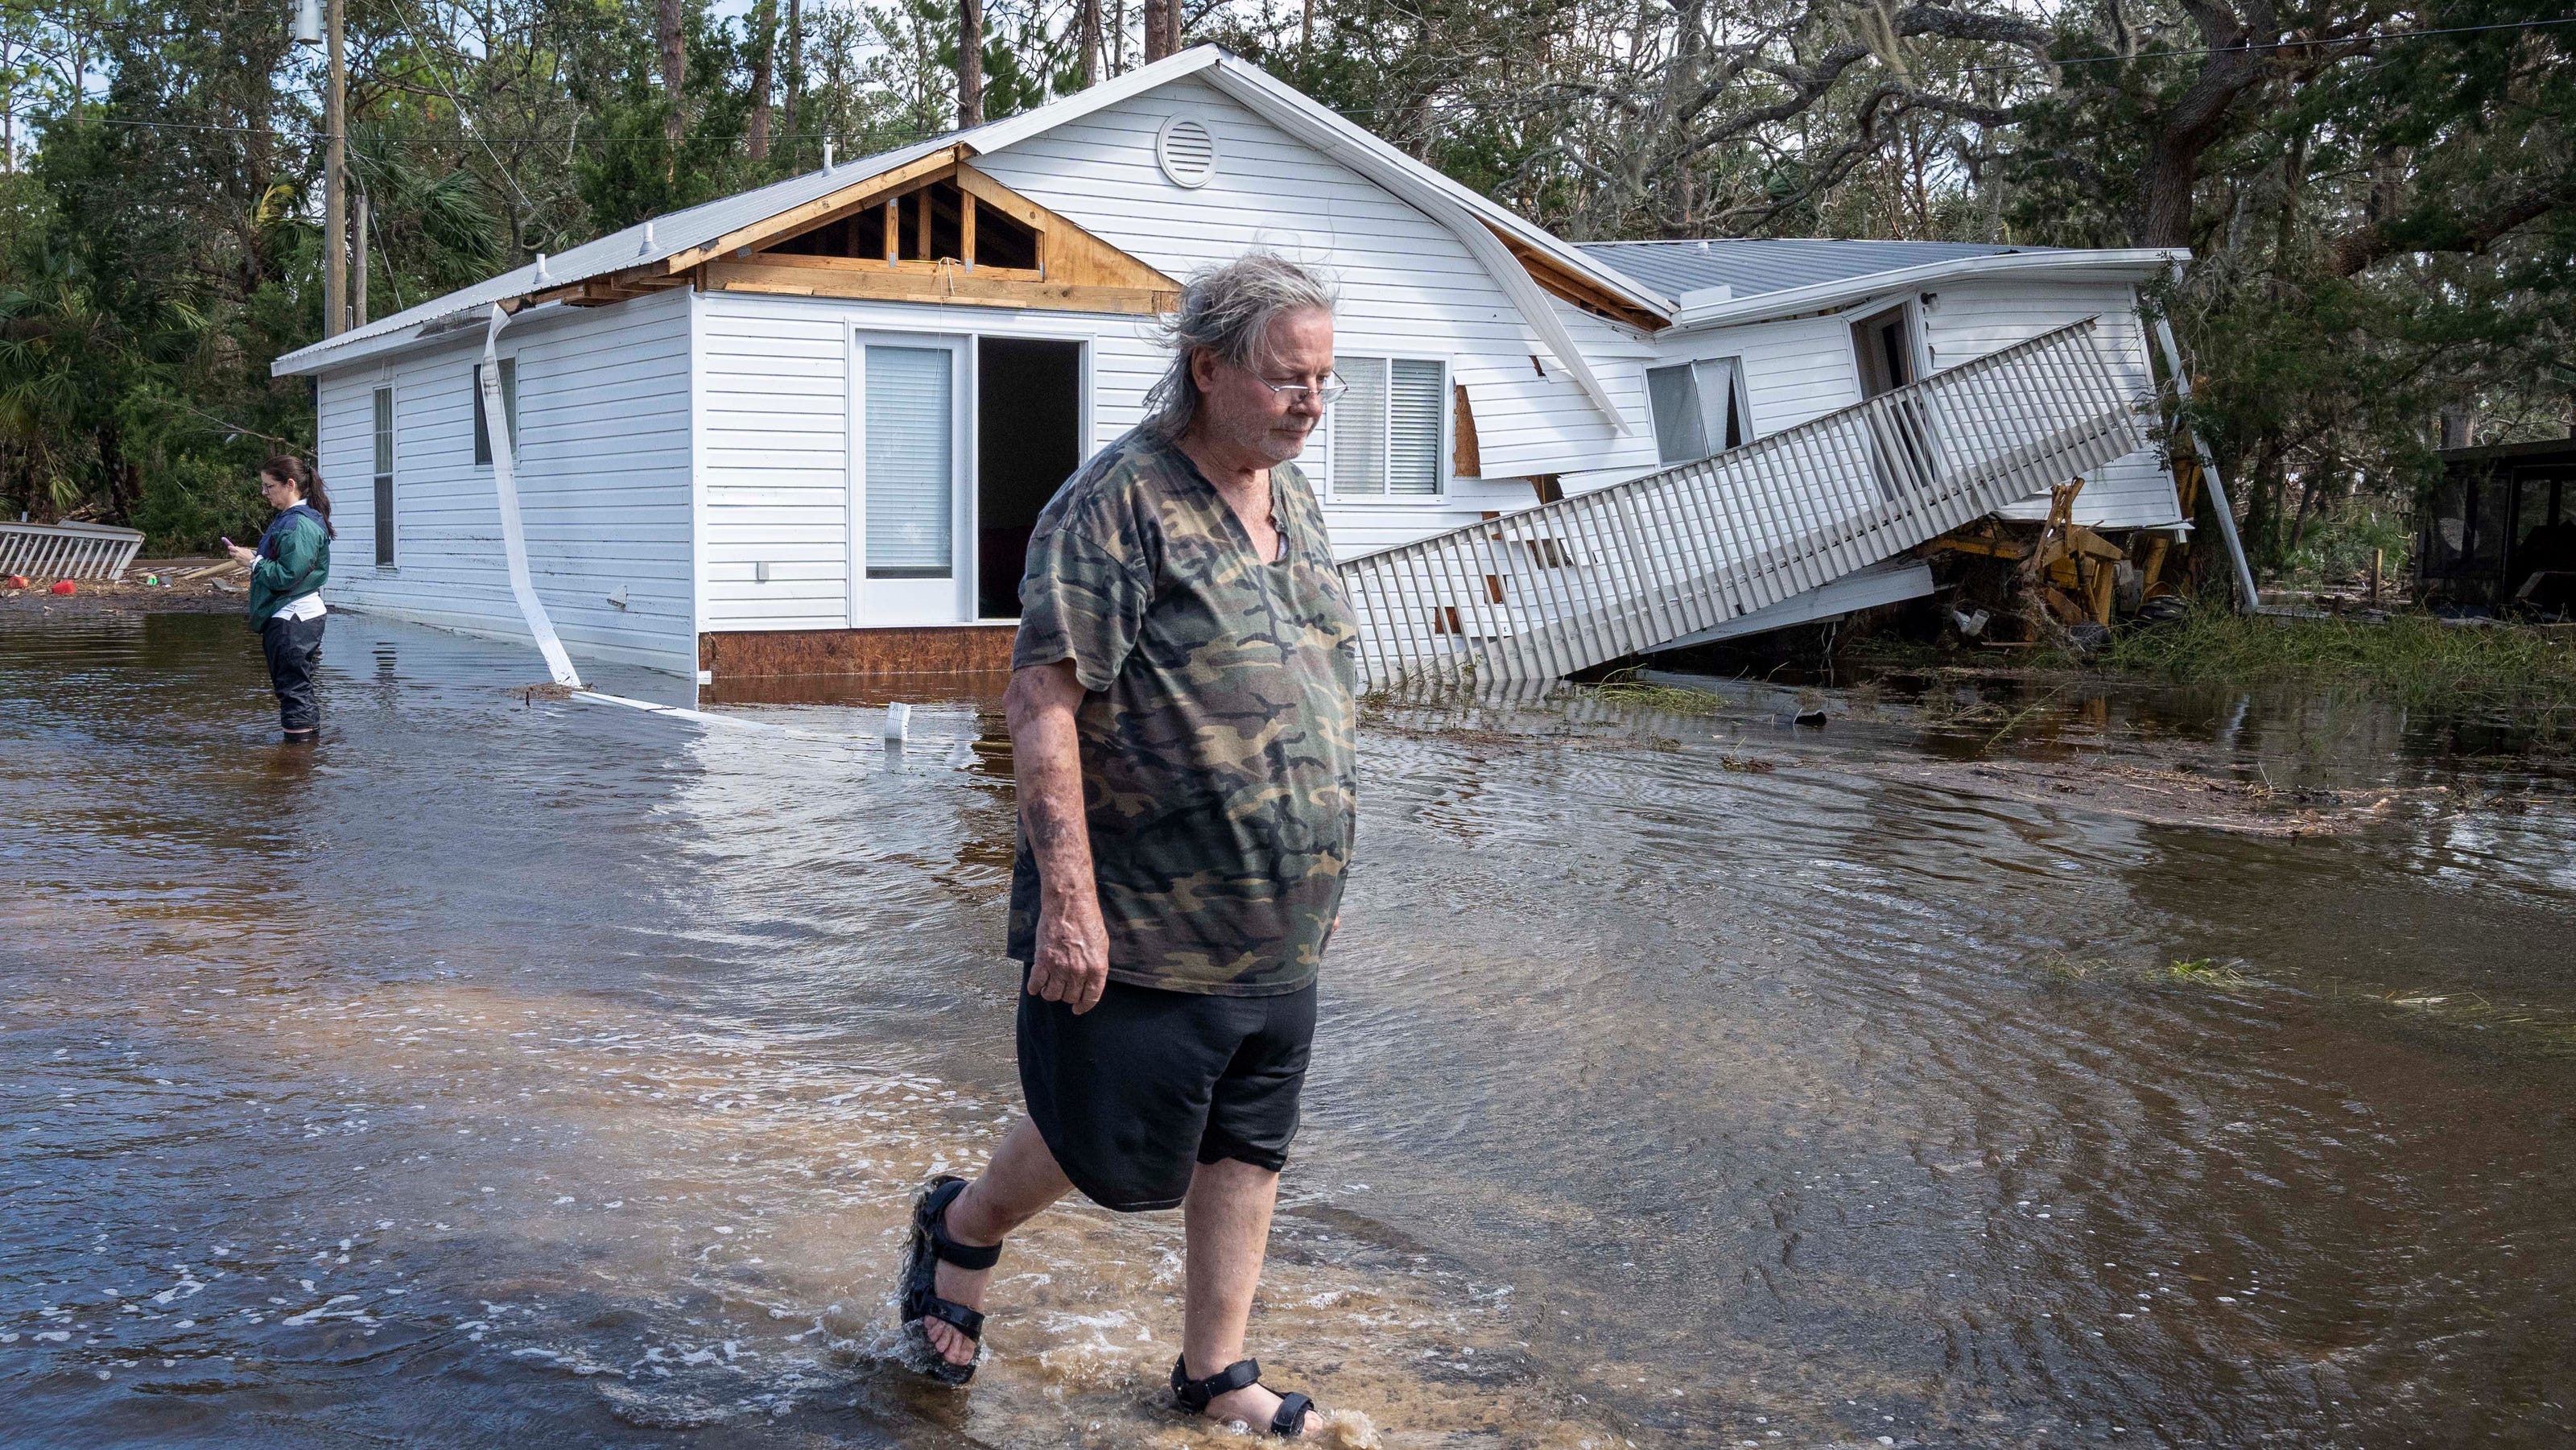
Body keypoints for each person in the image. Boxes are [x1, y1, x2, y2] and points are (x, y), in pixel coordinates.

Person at [894, 254, 1358, 1438]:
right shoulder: (1116, 504)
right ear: (1207, 368)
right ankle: (962, 1226)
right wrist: (1070, 902)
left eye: (1324, 379)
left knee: (1247, 1144)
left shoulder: (1291, 500)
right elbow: (1043, 703)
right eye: (1285, 377)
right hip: (1155, 909)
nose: (1310, 400)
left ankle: (1215, 1372)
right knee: (1103, 1133)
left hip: (1281, 916)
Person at [226, 456, 334, 742]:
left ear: (290, 484)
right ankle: (308, 762)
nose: (264, 493)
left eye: (268, 486)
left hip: (292, 618)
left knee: (291, 690)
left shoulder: (298, 524)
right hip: (299, 616)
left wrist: (253, 563)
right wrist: (256, 558)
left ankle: (294, 770)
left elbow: (288, 575)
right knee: (299, 688)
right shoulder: (299, 519)